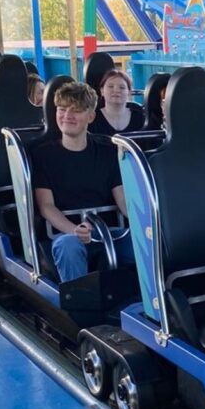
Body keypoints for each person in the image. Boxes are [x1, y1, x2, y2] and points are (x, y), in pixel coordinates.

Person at [32, 82, 134, 282]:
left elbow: (123, 201)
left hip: (109, 230)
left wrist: (147, 227)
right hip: (68, 232)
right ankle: (80, 306)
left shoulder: (108, 151)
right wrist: (74, 230)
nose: (67, 116)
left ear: (90, 116)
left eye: (76, 110)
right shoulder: (43, 155)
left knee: (140, 244)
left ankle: (141, 305)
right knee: (68, 246)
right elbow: (46, 206)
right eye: (62, 110)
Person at [88, 69, 144, 136]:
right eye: (111, 86)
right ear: (102, 91)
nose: (116, 90)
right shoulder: (92, 118)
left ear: (129, 92)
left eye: (122, 87)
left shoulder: (140, 115)